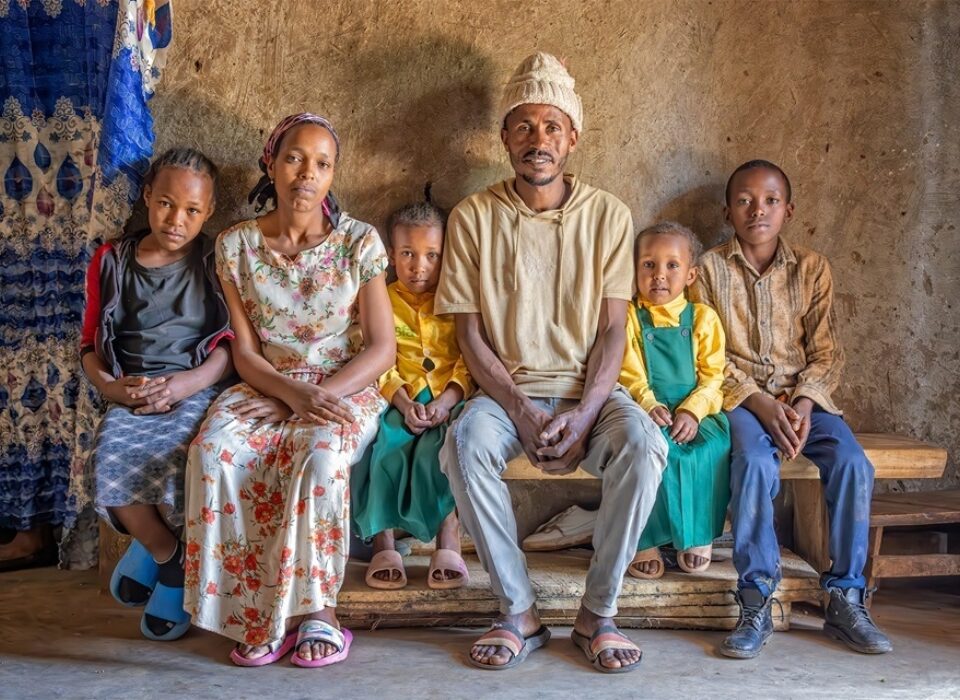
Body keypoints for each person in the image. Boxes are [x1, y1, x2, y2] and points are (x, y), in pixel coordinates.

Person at [436, 52, 668, 673]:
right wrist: (519, 407)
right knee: (463, 444)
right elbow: (469, 334)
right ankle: (518, 612)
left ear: (573, 138)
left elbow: (615, 329)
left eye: (552, 127)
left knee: (644, 444)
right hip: (506, 393)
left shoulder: (609, 216)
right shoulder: (473, 217)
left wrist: (590, 410)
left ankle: (598, 615)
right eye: (524, 126)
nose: (538, 140)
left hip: (588, 390)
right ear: (505, 137)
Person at [182, 114, 395, 668]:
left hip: (344, 387)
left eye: (323, 164)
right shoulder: (236, 246)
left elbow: (380, 350)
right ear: (271, 164)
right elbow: (246, 353)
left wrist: (311, 398)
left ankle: (320, 612)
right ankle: (257, 614)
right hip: (265, 384)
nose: (307, 173)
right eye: (296, 158)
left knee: (321, 457)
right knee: (214, 451)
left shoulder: (359, 243)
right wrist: (284, 394)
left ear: (332, 176)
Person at [693, 159, 892, 658]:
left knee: (852, 464)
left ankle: (846, 596)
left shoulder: (813, 268)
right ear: (726, 211)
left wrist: (802, 403)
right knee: (756, 463)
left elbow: (827, 352)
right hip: (741, 398)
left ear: (789, 210)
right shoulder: (709, 269)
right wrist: (760, 403)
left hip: (807, 398)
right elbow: (708, 356)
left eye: (770, 200)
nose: (757, 210)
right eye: (744, 200)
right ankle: (757, 597)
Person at [80, 147, 233, 641]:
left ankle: (155, 551)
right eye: (166, 203)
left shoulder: (216, 261)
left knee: (180, 461)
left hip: (194, 387)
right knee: (106, 462)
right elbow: (88, 345)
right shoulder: (111, 260)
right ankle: (172, 558)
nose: (177, 219)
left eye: (192, 210)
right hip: (131, 389)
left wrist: (189, 383)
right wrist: (111, 387)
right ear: (147, 197)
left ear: (208, 213)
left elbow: (232, 346)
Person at [351, 190, 472, 590]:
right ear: (389, 253)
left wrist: (446, 400)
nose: (418, 266)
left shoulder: (456, 301)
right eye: (406, 253)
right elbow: (375, 355)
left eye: (431, 255)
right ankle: (383, 541)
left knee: (443, 448)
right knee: (383, 446)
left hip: (447, 398)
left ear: (445, 255)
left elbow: (467, 359)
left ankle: (448, 538)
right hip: (398, 399)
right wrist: (401, 402)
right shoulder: (380, 299)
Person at [620, 222, 730, 580]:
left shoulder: (703, 318)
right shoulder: (629, 317)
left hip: (695, 409)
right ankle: (643, 538)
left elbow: (714, 377)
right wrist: (648, 403)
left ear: (691, 274)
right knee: (648, 450)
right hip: (648, 408)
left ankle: (695, 536)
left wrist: (692, 411)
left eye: (672, 265)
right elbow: (628, 369)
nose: (659, 276)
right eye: (648, 265)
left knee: (708, 451)